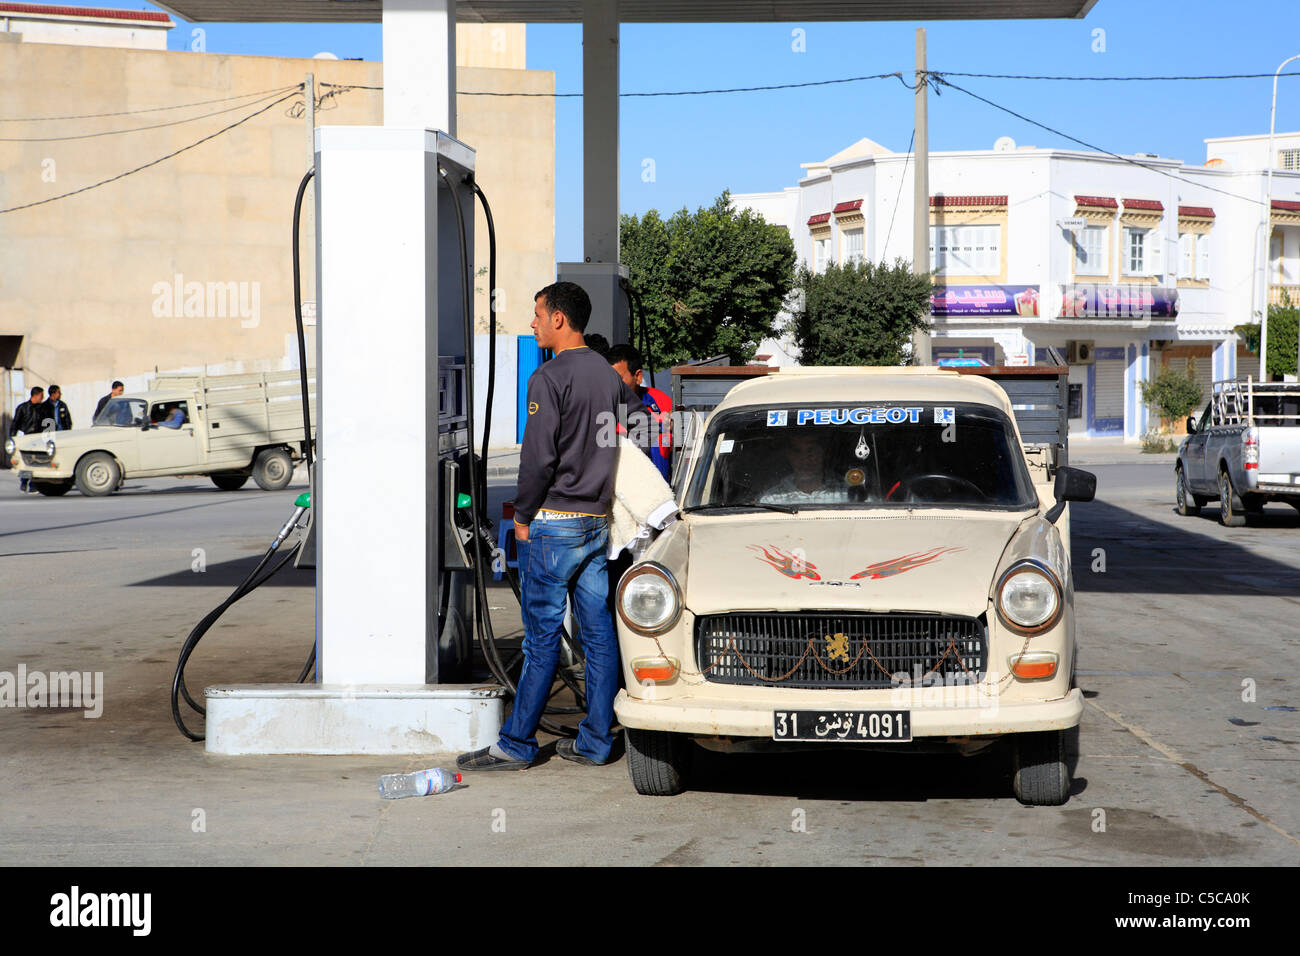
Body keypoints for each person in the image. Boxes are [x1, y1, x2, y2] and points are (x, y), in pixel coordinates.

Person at [458, 281, 646, 772]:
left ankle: (516, 744)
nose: (532, 322)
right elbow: (639, 424)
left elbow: (538, 459)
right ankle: (595, 742)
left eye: (537, 313)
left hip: (555, 522)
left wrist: (521, 516)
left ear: (559, 318)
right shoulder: (608, 376)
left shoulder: (548, 377)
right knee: (600, 635)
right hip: (595, 524)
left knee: (540, 637)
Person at [608, 343, 673, 482]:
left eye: (618, 380)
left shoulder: (661, 402)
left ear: (637, 376)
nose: (612, 385)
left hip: (660, 492)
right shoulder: (600, 406)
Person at [9, 386, 46, 493]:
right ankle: (24, 481)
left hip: (39, 438)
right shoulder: (23, 408)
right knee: (26, 461)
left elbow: (47, 421)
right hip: (27, 438)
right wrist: (13, 437)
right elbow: (15, 422)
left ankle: (33, 484)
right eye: (41, 396)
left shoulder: (42, 408)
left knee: (37, 462)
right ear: (36, 395)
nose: (42, 398)